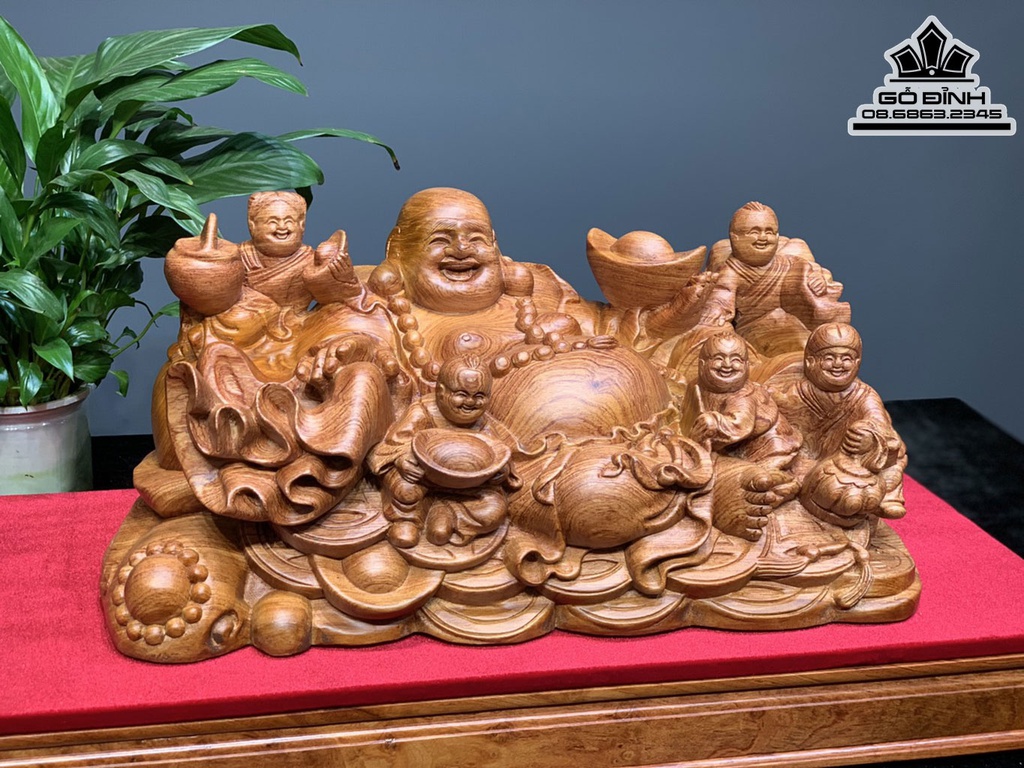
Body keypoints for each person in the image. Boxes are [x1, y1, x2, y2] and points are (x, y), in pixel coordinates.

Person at [367, 355, 515, 548]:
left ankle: (449, 514)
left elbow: (499, 452)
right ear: (441, 391)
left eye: (480, 396)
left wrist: (501, 471)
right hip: (424, 478)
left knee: (495, 509)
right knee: (405, 488)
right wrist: (402, 459)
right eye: (461, 394)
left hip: (467, 486)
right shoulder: (423, 411)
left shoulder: (483, 423)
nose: (470, 402)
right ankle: (408, 520)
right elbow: (391, 445)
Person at [774, 323, 907, 524]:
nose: (838, 364)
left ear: (857, 362)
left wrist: (869, 437)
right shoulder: (793, 393)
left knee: (896, 449)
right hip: (803, 460)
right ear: (810, 362)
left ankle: (889, 495)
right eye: (829, 358)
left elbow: (879, 423)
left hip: (849, 461)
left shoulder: (864, 395)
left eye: (846, 358)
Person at [699, 202, 850, 358]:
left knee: (819, 335)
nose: (763, 237)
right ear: (735, 237)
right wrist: (715, 311)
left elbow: (812, 272)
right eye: (754, 232)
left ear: (777, 236)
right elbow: (721, 297)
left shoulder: (789, 262)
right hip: (756, 332)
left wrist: (817, 279)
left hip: (797, 325)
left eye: (769, 232)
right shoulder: (731, 271)